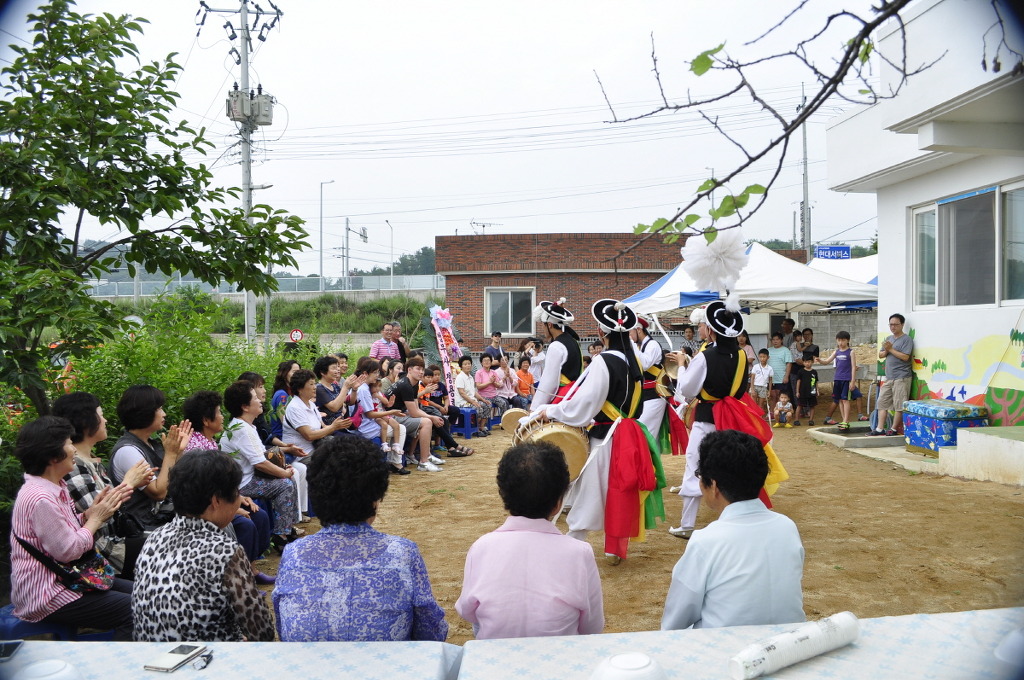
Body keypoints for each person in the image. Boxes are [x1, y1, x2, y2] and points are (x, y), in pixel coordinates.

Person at [273, 436, 448, 641]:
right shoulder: (402, 553)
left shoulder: (293, 553)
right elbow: (430, 631)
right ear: (376, 497)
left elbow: (284, 629)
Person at [536, 299, 659, 564]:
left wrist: (552, 411)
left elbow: (586, 403)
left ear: (602, 332)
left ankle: (573, 543)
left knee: (590, 491)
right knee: (616, 489)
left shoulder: (604, 361)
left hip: (607, 436)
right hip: (629, 434)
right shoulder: (634, 358)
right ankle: (613, 547)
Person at [456, 441, 604, 639]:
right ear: (559, 502)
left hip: (494, 658)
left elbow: (468, 611)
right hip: (560, 658)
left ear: (503, 495)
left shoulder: (481, 546)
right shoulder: (579, 552)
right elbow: (592, 626)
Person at [661, 430, 805, 630]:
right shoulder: (787, 526)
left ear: (714, 486)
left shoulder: (705, 541)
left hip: (728, 651)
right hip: (789, 643)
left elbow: (676, 619)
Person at [669, 301, 787, 539]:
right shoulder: (743, 356)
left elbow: (686, 391)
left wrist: (682, 366)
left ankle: (686, 524)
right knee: (732, 466)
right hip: (734, 416)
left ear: (711, 330)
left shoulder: (705, 356)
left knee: (695, 466)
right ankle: (739, 517)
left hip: (707, 418)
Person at [9, 416, 134, 639]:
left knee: (144, 592)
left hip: (71, 579)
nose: (73, 449)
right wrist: (95, 519)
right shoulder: (40, 498)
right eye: (68, 443)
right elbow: (68, 550)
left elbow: (62, 530)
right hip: (48, 593)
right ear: (52, 455)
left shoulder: (55, 485)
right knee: (135, 608)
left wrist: (88, 513)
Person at [132, 451, 276, 642]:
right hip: (204, 661)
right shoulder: (225, 551)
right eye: (236, 492)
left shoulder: (154, 538)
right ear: (216, 500)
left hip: (154, 657)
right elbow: (261, 630)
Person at [53, 392, 153, 578]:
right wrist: (129, 483)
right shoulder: (73, 466)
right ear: (85, 421)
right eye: (101, 414)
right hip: (105, 552)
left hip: (117, 541)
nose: (105, 420)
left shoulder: (89, 461)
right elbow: (99, 516)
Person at [181, 390, 274, 573]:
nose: (223, 417)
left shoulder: (209, 442)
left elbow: (220, 483)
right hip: (208, 508)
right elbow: (205, 491)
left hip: (222, 501)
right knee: (246, 523)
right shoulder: (195, 449)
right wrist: (234, 507)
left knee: (260, 515)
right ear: (207, 421)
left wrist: (239, 497)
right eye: (218, 412)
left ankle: (252, 569)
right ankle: (238, 575)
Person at [219, 380, 301, 553]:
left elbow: (262, 453)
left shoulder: (247, 426)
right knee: (285, 484)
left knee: (289, 479)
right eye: (255, 398)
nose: (260, 400)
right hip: (242, 483)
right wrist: (283, 473)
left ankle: (287, 529)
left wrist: (284, 465)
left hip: (250, 476)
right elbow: (261, 463)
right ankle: (280, 536)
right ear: (245, 407)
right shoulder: (241, 429)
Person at [108, 385, 192, 531]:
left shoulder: (150, 444)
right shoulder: (128, 451)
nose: (164, 414)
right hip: (143, 529)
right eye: (159, 409)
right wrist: (171, 454)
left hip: (162, 520)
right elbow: (159, 492)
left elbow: (174, 478)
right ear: (144, 412)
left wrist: (178, 451)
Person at [283, 369, 350, 516]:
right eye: (311, 384)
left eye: (314, 384)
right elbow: (308, 435)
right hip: (300, 453)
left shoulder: (310, 405)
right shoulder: (295, 407)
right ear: (300, 389)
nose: (315, 387)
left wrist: (336, 425)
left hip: (315, 448)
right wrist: (333, 427)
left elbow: (323, 428)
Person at [531, 298, 583, 410]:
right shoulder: (573, 341)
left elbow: (549, 381)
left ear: (549, 325)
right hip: (575, 395)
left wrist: (535, 408)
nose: (543, 329)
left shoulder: (556, 346)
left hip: (563, 396)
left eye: (543, 325)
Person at [870, 313, 914, 436]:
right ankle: (879, 428)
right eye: (891, 324)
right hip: (889, 377)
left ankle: (893, 429)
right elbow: (881, 355)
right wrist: (886, 350)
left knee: (899, 405)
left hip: (902, 377)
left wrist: (890, 350)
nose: (893, 327)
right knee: (882, 402)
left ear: (902, 325)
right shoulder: (889, 338)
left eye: (896, 324)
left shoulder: (907, 339)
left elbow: (905, 357)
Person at [631, 316, 668, 443]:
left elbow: (645, 364)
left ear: (638, 330)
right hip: (645, 395)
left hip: (654, 394)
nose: (628, 336)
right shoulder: (641, 347)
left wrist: (631, 345)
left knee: (646, 433)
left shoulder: (652, 345)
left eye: (630, 332)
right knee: (644, 433)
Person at [816, 331, 856, 431]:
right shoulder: (836, 352)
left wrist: (853, 381)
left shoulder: (851, 352)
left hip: (846, 379)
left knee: (845, 400)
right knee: (840, 400)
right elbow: (827, 361)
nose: (841, 342)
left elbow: (853, 367)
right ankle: (843, 420)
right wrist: (820, 360)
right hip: (837, 379)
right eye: (839, 340)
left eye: (843, 340)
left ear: (848, 340)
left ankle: (846, 421)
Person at [314, 355, 363, 428]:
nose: (337, 370)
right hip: (329, 429)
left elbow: (349, 402)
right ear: (322, 372)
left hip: (341, 426)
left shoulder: (334, 386)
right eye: (334, 368)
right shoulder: (319, 388)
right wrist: (345, 387)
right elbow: (334, 407)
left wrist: (354, 389)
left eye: (337, 367)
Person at [455, 355, 491, 437]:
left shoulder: (470, 377)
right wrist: (473, 402)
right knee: (478, 407)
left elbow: (474, 392)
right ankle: (475, 429)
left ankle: (481, 427)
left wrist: (483, 399)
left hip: (471, 401)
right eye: (465, 364)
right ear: (461, 366)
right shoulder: (460, 377)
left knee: (487, 405)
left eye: (469, 363)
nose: (468, 365)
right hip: (462, 402)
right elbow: (462, 393)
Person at [269, 359, 300, 442]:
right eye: (294, 372)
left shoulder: (292, 393)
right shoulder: (282, 395)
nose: (297, 375)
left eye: (299, 372)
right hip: (283, 438)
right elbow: (286, 422)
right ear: (285, 374)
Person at [766, 332, 792, 410]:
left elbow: (789, 364)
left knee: (780, 396)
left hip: (781, 377)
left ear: (781, 340)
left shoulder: (786, 350)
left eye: (777, 339)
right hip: (771, 378)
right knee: (772, 395)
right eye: (773, 340)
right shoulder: (768, 350)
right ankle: (772, 412)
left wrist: (786, 376)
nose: (775, 341)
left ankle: (782, 412)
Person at [794, 355, 818, 426]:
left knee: (812, 405)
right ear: (803, 362)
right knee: (800, 405)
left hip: (812, 391)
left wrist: (817, 390)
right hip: (803, 392)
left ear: (812, 362)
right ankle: (796, 420)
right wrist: (797, 391)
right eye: (805, 362)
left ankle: (811, 420)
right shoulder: (801, 371)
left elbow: (816, 381)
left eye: (809, 362)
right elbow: (798, 382)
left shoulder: (814, 372)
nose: (807, 363)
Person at [749, 349, 774, 415]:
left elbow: (770, 380)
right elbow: (752, 378)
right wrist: (752, 389)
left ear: (768, 357)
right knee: (753, 404)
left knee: (761, 405)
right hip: (755, 386)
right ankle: (754, 417)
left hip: (763, 387)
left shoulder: (770, 368)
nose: (762, 359)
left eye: (764, 357)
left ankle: (760, 418)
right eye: (760, 357)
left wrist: (769, 390)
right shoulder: (756, 366)